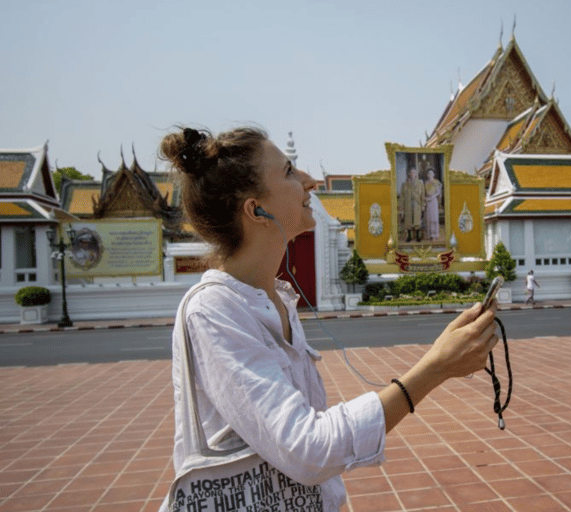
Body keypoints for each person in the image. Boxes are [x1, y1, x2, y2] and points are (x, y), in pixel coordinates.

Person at [158, 126, 499, 512]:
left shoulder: (277, 299)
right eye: (289, 173)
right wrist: (434, 369)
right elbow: (308, 448)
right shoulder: (215, 311)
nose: (309, 180)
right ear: (256, 210)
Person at [398, 166, 425, 242]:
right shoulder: (405, 184)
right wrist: (401, 207)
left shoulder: (420, 183)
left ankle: (417, 236)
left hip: (417, 204)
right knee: (408, 220)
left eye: (414, 172)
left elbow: (422, 195)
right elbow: (402, 196)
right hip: (408, 204)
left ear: (416, 174)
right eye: (411, 172)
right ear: (409, 174)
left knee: (417, 220)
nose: (412, 174)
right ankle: (409, 236)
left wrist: (423, 205)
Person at [423, 168, 442, 240]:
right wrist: (425, 198)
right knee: (429, 217)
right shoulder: (426, 183)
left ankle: (434, 234)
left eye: (431, 173)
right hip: (428, 201)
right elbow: (424, 193)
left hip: (433, 201)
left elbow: (438, 192)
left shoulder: (436, 182)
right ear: (427, 175)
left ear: (433, 174)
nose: (430, 174)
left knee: (434, 217)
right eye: (428, 173)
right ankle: (429, 234)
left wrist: (432, 198)